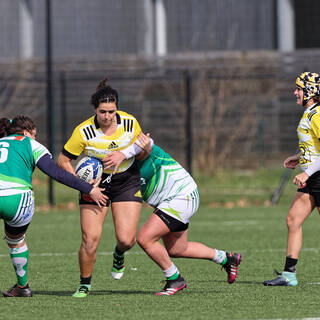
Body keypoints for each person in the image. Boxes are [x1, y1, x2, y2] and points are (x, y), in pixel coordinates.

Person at [103, 133, 242, 295]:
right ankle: (227, 258)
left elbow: (147, 144)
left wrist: (127, 151)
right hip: (175, 200)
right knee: (177, 249)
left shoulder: (139, 150)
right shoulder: (118, 168)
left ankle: (174, 279)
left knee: (145, 238)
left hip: (182, 195)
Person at [0, 115, 108, 298]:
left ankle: (22, 288)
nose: (36, 138)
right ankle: (22, 287)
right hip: (18, 199)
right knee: (16, 241)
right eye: (35, 135)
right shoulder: (31, 144)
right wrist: (90, 189)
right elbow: (57, 173)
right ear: (27, 133)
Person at [57, 78, 143, 298]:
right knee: (90, 239)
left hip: (126, 180)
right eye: (103, 111)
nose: (107, 116)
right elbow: (63, 161)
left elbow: (142, 149)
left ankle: (119, 254)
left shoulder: (131, 123)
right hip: (95, 185)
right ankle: (85, 284)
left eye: (111, 111)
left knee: (126, 239)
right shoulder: (83, 131)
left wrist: (124, 154)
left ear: (117, 108)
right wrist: (84, 185)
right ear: (95, 109)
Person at [264, 72, 320, 286]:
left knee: (293, 220)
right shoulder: (309, 113)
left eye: (299, 88)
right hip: (312, 179)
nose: (295, 92)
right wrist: (299, 159)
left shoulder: (317, 115)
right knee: (293, 220)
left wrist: (307, 172)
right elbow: (315, 148)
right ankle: (289, 276)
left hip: (317, 178)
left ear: (311, 91)